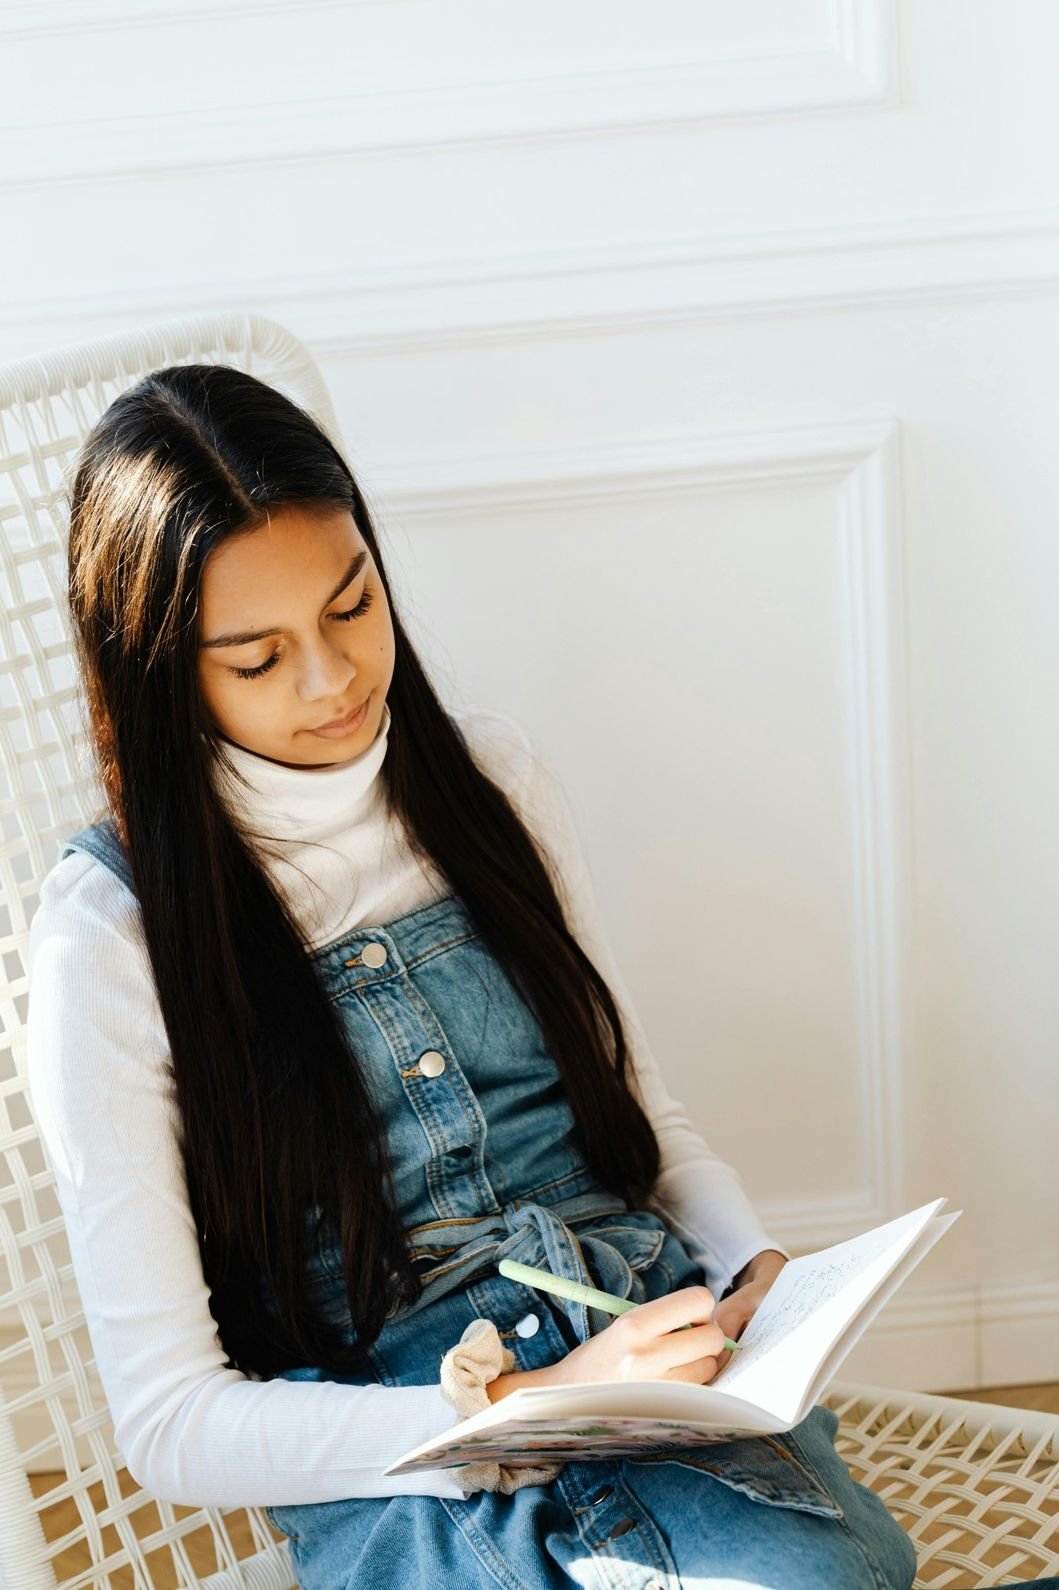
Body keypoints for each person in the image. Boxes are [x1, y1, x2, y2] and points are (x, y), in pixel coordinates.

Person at [26, 364, 918, 1589]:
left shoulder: (491, 784)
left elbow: (638, 1121)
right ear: (162, 670)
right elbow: (172, 1423)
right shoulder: (112, 933)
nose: (333, 679)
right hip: (410, 1446)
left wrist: (747, 1269)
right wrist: (537, 1402)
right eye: (257, 658)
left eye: (353, 606)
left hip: (652, 1357)